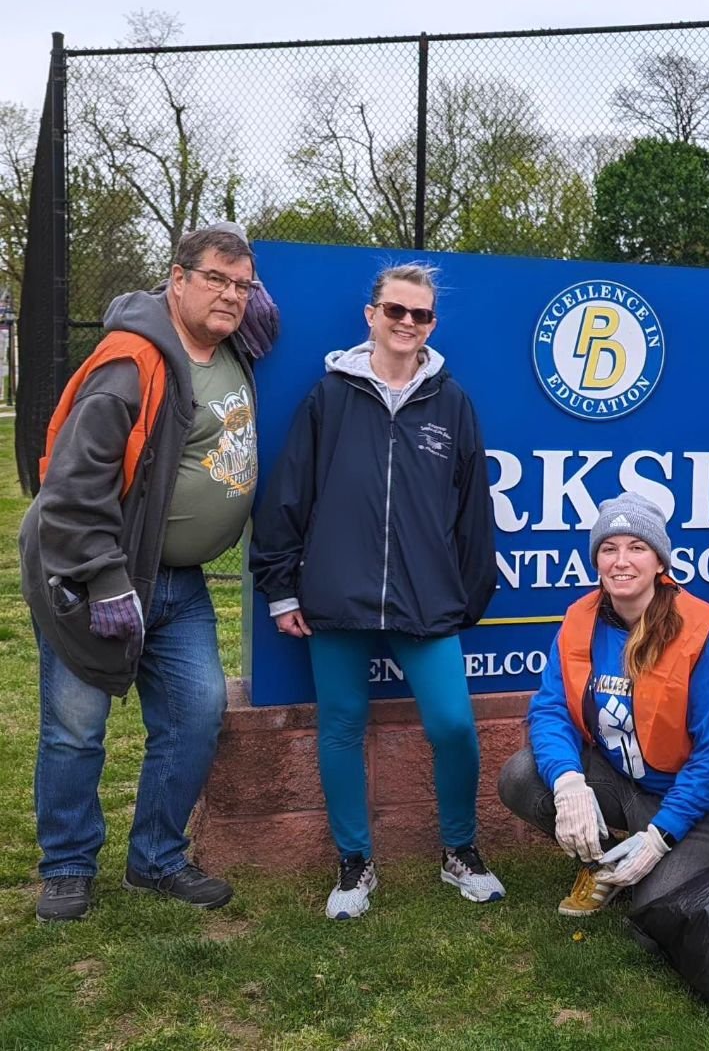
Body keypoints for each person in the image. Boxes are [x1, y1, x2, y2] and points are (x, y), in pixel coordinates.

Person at [20, 224, 262, 922]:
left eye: (242, 285)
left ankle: (155, 859)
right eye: (215, 278)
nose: (230, 295)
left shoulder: (237, 346)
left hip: (176, 582)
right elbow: (69, 491)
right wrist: (102, 580)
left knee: (196, 712)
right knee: (75, 727)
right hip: (90, 576)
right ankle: (67, 866)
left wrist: (244, 308)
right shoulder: (130, 364)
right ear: (176, 279)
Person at [250, 262, 501, 920]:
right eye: (396, 311)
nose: (407, 324)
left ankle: (460, 852)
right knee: (340, 726)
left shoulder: (451, 403)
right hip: (336, 596)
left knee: (453, 725)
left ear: (432, 325)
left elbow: (473, 510)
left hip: (425, 602)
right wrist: (281, 589)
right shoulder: (328, 397)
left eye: (420, 315)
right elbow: (288, 498)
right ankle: (355, 865)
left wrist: (470, 594)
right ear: (372, 315)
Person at [498, 492, 709, 916]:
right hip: (628, 781)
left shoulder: (702, 634)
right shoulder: (580, 619)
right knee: (521, 776)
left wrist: (661, 835)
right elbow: (550, 709)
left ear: (660, 562)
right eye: (609, 549)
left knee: (657, 911)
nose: (621, 561)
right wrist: (568, 784)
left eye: (637, 548)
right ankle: (603, 861)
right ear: (596, 561)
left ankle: (699, 858)